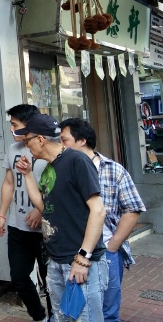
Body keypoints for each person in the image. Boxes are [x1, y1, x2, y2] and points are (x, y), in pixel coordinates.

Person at [15, 114, 107, 322]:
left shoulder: (77, 160)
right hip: (56, 260)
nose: (26, 146)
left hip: (79, 261)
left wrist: (83, 257)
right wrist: (27, 175)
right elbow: (44, 207)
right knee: (62, 318)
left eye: (27, 140)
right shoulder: (49, 169)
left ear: (40, 139)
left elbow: (98, 210)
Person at [59, 118, 146, 322]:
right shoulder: (60, 169)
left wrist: (112, 246)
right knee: (73, 310)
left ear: (82, 140)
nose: (60, 145)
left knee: (108, 311)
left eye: (64, 140)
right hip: (70, 251)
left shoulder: (113, 170)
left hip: (105, 252)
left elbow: (133, 208)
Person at [0, 104, 51, 322]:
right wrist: (2, 215)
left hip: (45, 230)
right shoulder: (13, 149)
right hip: (18, 226)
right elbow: (9, 183)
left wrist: (40, 210)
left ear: (29, 125)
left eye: (15, 125)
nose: (11, 129)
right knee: (18, 278)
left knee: (50, 280)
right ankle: (39, 316)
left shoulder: (46, 149)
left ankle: (55, 317)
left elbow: (58, 187)